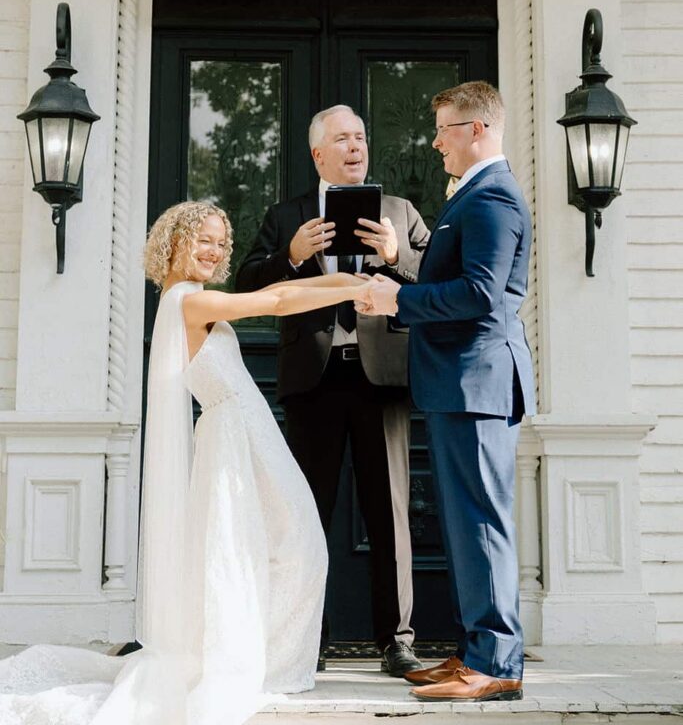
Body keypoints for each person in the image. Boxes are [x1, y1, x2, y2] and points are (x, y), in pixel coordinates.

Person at [0, 201, 371, 725]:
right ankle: (250, 661)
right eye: (205, 238)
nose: (215, 250)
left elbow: (279, 294)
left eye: (221, 242)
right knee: (285, 544)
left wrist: (360, 287)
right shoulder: (185, 303)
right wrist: (358, 288)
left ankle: (258, 656)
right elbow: (279, 298)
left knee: (288, 542)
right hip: (233, 436)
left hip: (247, 432)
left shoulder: (193, 300)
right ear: (174, 241)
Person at [356, 82, 536, 703]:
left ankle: (495, 664)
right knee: (468, 525)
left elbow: (482, 296)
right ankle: (477, 652)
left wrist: (396, 299)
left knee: (483, 524)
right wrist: (398, 272)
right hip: (460, 384)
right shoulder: (473, 196)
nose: (435, 143)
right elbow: (455, 284)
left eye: (444, 129)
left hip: (477, 383)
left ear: (478, 129)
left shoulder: (492, 199)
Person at [236, 105, 430, 678]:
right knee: (306, 513)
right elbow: (246, 283)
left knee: (390, 511)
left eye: (361, 138)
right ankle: (306, 637)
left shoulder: (401, 212)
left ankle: (397, 640)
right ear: (318, 153)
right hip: (313, 379)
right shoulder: (286, 215)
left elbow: (439, 279)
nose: (355, 147)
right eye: (342, 139)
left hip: (382, 379)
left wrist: (398, 255)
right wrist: (291, 256)